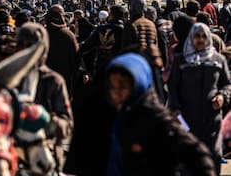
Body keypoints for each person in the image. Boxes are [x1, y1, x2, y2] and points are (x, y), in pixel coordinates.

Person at [64, 52, 216, 176]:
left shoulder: (155, 118)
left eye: (123, 86)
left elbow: (199, 156)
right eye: (112, 86)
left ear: (138, 85)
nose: (117, 93)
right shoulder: (100, 113)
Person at [168, 22, 231, 174]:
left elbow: (227, 85)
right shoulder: (181, 61)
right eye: (197, 36)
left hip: (212, 121)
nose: (201, 39)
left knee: (213, 157)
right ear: (191, 38)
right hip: (187, 120)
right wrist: (175, 110)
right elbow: (173, 87)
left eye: (204, 36)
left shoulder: (218, 60)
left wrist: (222, 97)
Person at [16, 22, 73, 172]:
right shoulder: (11, 78)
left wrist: (46, 120)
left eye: (32, 45)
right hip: (15, 159)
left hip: (46, 157)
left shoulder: (53, 81)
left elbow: (66, 125)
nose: (26, 49)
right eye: (21, 44)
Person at [45, 5, 80, 99]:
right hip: (64, 80)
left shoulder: (41, 34)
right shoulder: (68, 35)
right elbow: (76, 60)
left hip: (44, 80)